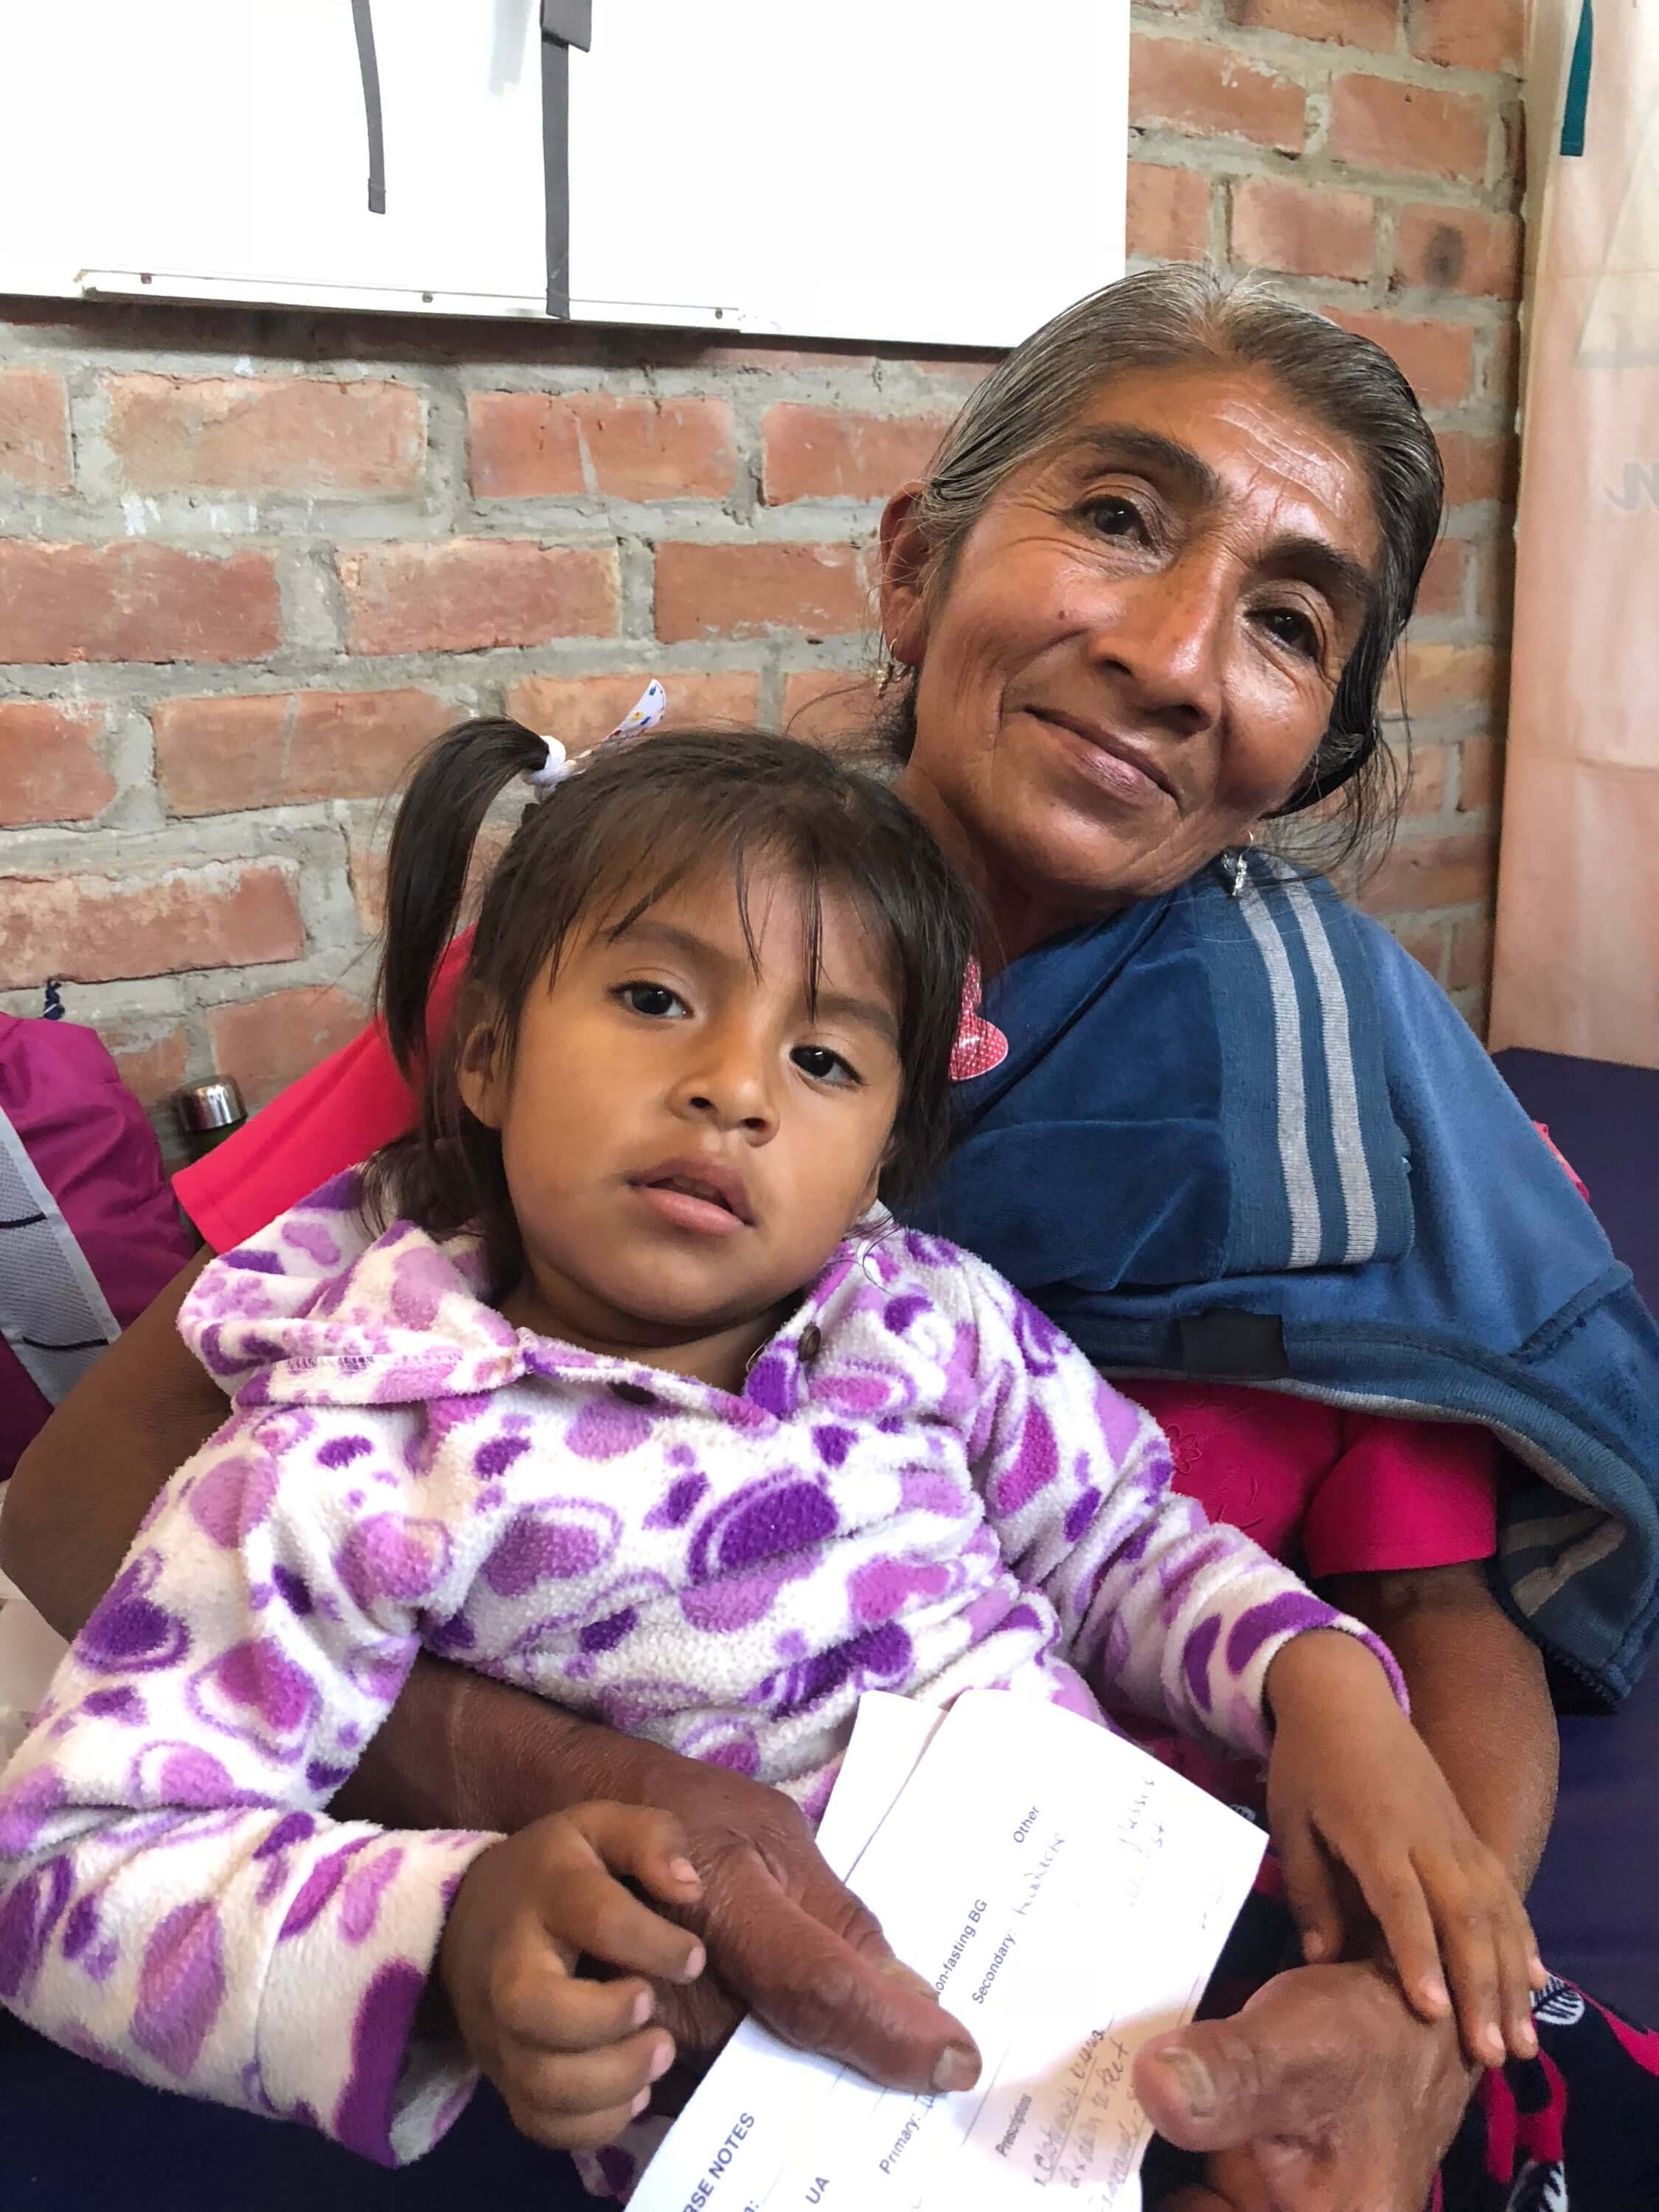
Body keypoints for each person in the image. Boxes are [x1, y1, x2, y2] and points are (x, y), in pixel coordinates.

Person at [8, 267, 1659, 2211]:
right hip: (693, 2047)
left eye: (1288, 622)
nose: (1176, 654)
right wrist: (582, 1810)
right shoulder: (604, 963)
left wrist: (1406, 2009)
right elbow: (78, 1496)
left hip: (1177, 1955)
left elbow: (1427, 1623)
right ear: (913, 570)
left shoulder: (1324, 1079)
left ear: (1312, 743)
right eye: (1118, 517)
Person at [0, 725, 1534, 2197]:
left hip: (1142, 1978)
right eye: (659, 999)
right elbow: (71, 1872)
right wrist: (458, 1936)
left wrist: (1313, 1682)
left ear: (884, 1147)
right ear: (482, 1055)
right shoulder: (359, 1448)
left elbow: (1119, 1536)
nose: (735, 1086)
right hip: (811, 2143)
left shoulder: (925, 1317)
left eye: (819, 1056)